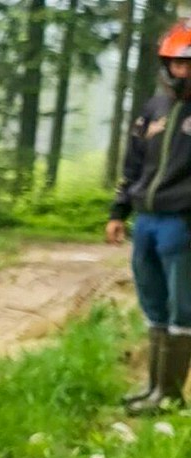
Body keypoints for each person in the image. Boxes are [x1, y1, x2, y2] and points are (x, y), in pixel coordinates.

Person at [108, 19, 191, 415]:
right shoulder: (153, 108)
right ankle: (154, 389)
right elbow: (134, 163)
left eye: (189, 64)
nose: (183, 71)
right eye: (177, 64)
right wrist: (118, 211)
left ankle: (171, 394)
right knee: (153, 304)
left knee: (182, 308)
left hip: (182, 223)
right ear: (166, 65)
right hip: (146, 222)